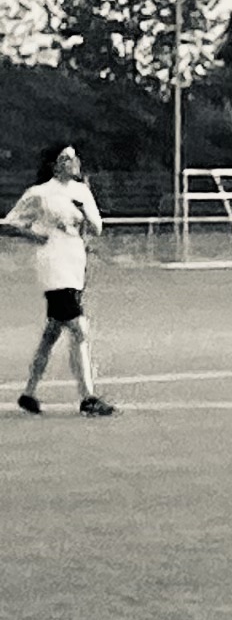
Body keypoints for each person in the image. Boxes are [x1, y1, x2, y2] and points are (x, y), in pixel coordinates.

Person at [9, 143, 115, 417]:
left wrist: (84, 213)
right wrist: (35, 235)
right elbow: (11, 222)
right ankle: (88, 397)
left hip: (74, 264)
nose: (73, 162)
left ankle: (29, 393)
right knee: (79, 328)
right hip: (53, 266)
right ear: (54, 165)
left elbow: (97, 227)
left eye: (74, 157)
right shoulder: (41, 193)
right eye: (66, 158)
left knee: (53, 332)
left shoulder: (81, 191)